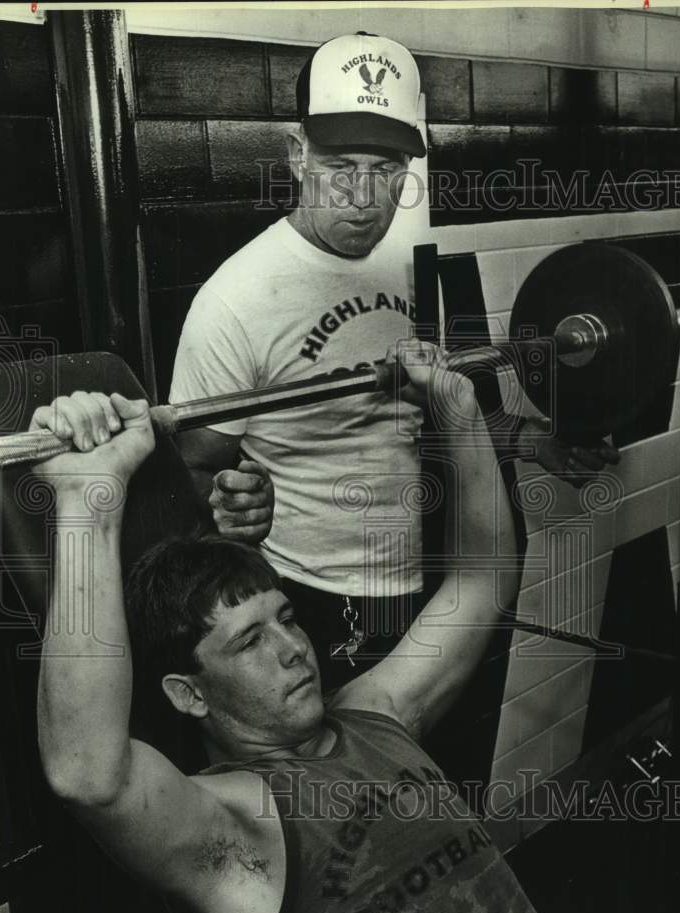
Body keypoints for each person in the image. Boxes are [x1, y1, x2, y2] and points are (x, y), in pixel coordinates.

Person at [33, 342, 575, 913]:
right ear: (189, 694)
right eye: (248, 641)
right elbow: (86, 773)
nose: (293, 648)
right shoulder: (234, 832)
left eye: (286, 620)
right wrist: (90, 499)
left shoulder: (376, 716)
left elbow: (481, 583)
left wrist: (455, 408)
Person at [169, 31, 618, 692]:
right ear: (296, 155)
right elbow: (193, 469)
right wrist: (229, 505)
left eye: (384, 170)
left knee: (421, 776)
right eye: (340, 165)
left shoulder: (412, 271)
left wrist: (535, 441)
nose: (363, 195)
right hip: (307, 599)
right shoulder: (233, 301)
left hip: (425, 582)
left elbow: (419, 418)